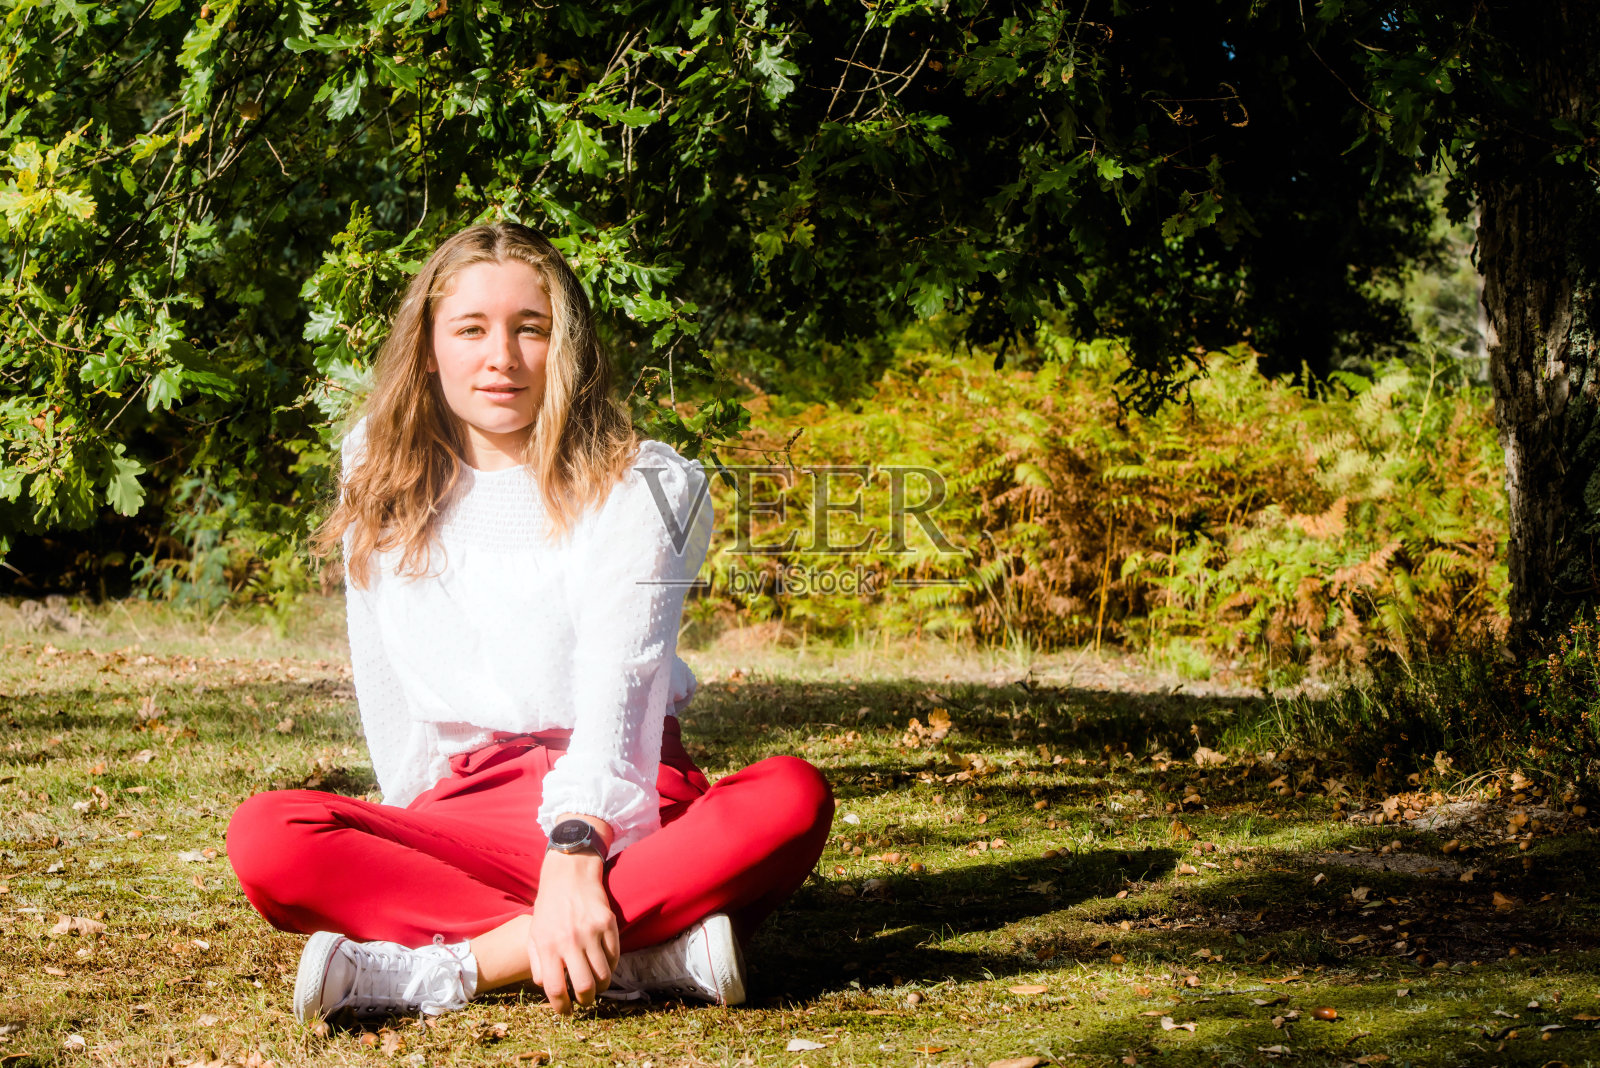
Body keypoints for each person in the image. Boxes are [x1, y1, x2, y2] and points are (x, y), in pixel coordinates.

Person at [226, 222, 834, 1022]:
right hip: (469, 806)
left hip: (629, 802)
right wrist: (415, 824)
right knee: (270, 835)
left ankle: (446, 969)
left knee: (789, 796)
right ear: (430, 346)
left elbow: (622, 681)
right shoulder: (377, 466)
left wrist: (579, 847)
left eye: (531, 329)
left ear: (566, 345)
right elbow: (381, 670)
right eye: (471, 329)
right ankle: (649, 954)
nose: (501, 358)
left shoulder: (644, 484)